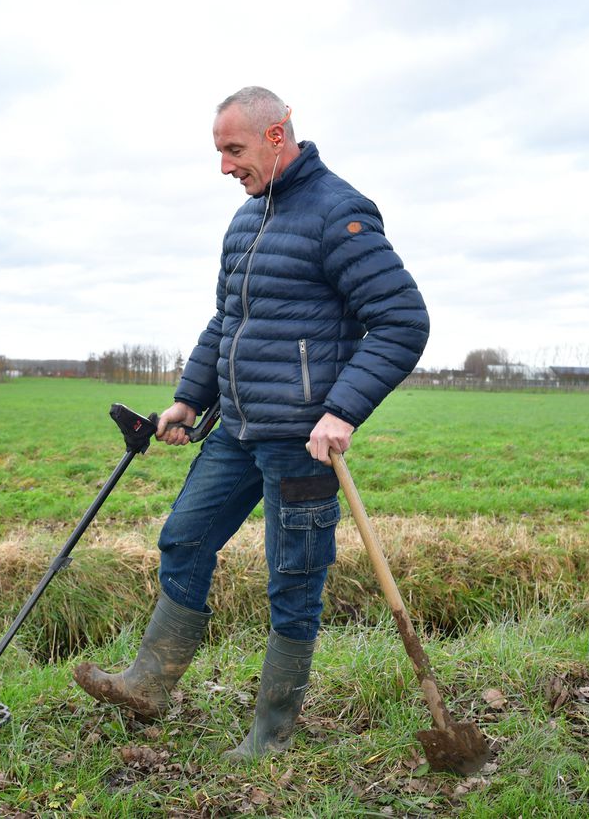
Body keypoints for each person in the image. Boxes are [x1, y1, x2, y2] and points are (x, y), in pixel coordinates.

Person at [73, 86, 429, 760]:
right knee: (183, 538)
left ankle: (270, 734)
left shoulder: (340, 214)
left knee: (292, 585)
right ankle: (150, 683)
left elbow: (402, 321)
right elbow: (228, 325)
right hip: (237, 428)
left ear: (277, 135)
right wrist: (187, 396)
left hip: (301, 444)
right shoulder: (245, 222)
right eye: (219, 152)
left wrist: (342, 411)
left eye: (233, 150)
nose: (224, 167)